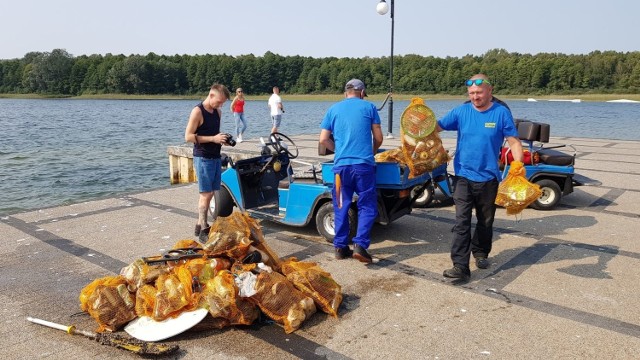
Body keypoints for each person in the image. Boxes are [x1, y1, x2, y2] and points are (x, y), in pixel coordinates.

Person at [436, 74, 524, 282]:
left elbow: (514, 142)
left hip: (489, 178)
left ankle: (481, 252)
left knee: (486, 220)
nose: (475, 97)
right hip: (463, 176)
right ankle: (460, 265)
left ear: (489, 91)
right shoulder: (461, 111)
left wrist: (518, 165)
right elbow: (436, 128)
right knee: (461, 221)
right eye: (472, 93)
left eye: (479, 92)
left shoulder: (501, 113)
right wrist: (419, 125)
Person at [319, 79, 384, 264]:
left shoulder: (333, 109)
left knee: (340, 205)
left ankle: (340, 247)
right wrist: (371, 152)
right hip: (363, 167)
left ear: (345, 93)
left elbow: (323, 139)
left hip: (341, 169)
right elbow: (378, 137)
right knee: (367, 205)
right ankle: (360, 246)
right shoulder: (369, 108)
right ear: (362, 93)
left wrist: (338, 151)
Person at [184, 83, 232, 243]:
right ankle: (204, 228)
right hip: (203, 157)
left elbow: (213, 133)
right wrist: (213, 139)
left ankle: (199, 224)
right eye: (219, 101)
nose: (221, 105)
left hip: (215, 156)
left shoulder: (218, 112)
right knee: (206, 194)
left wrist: (221, 139)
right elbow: (188, 137)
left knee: (212, 192)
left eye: (223, 103)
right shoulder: (197, 111)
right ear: (211, 95)